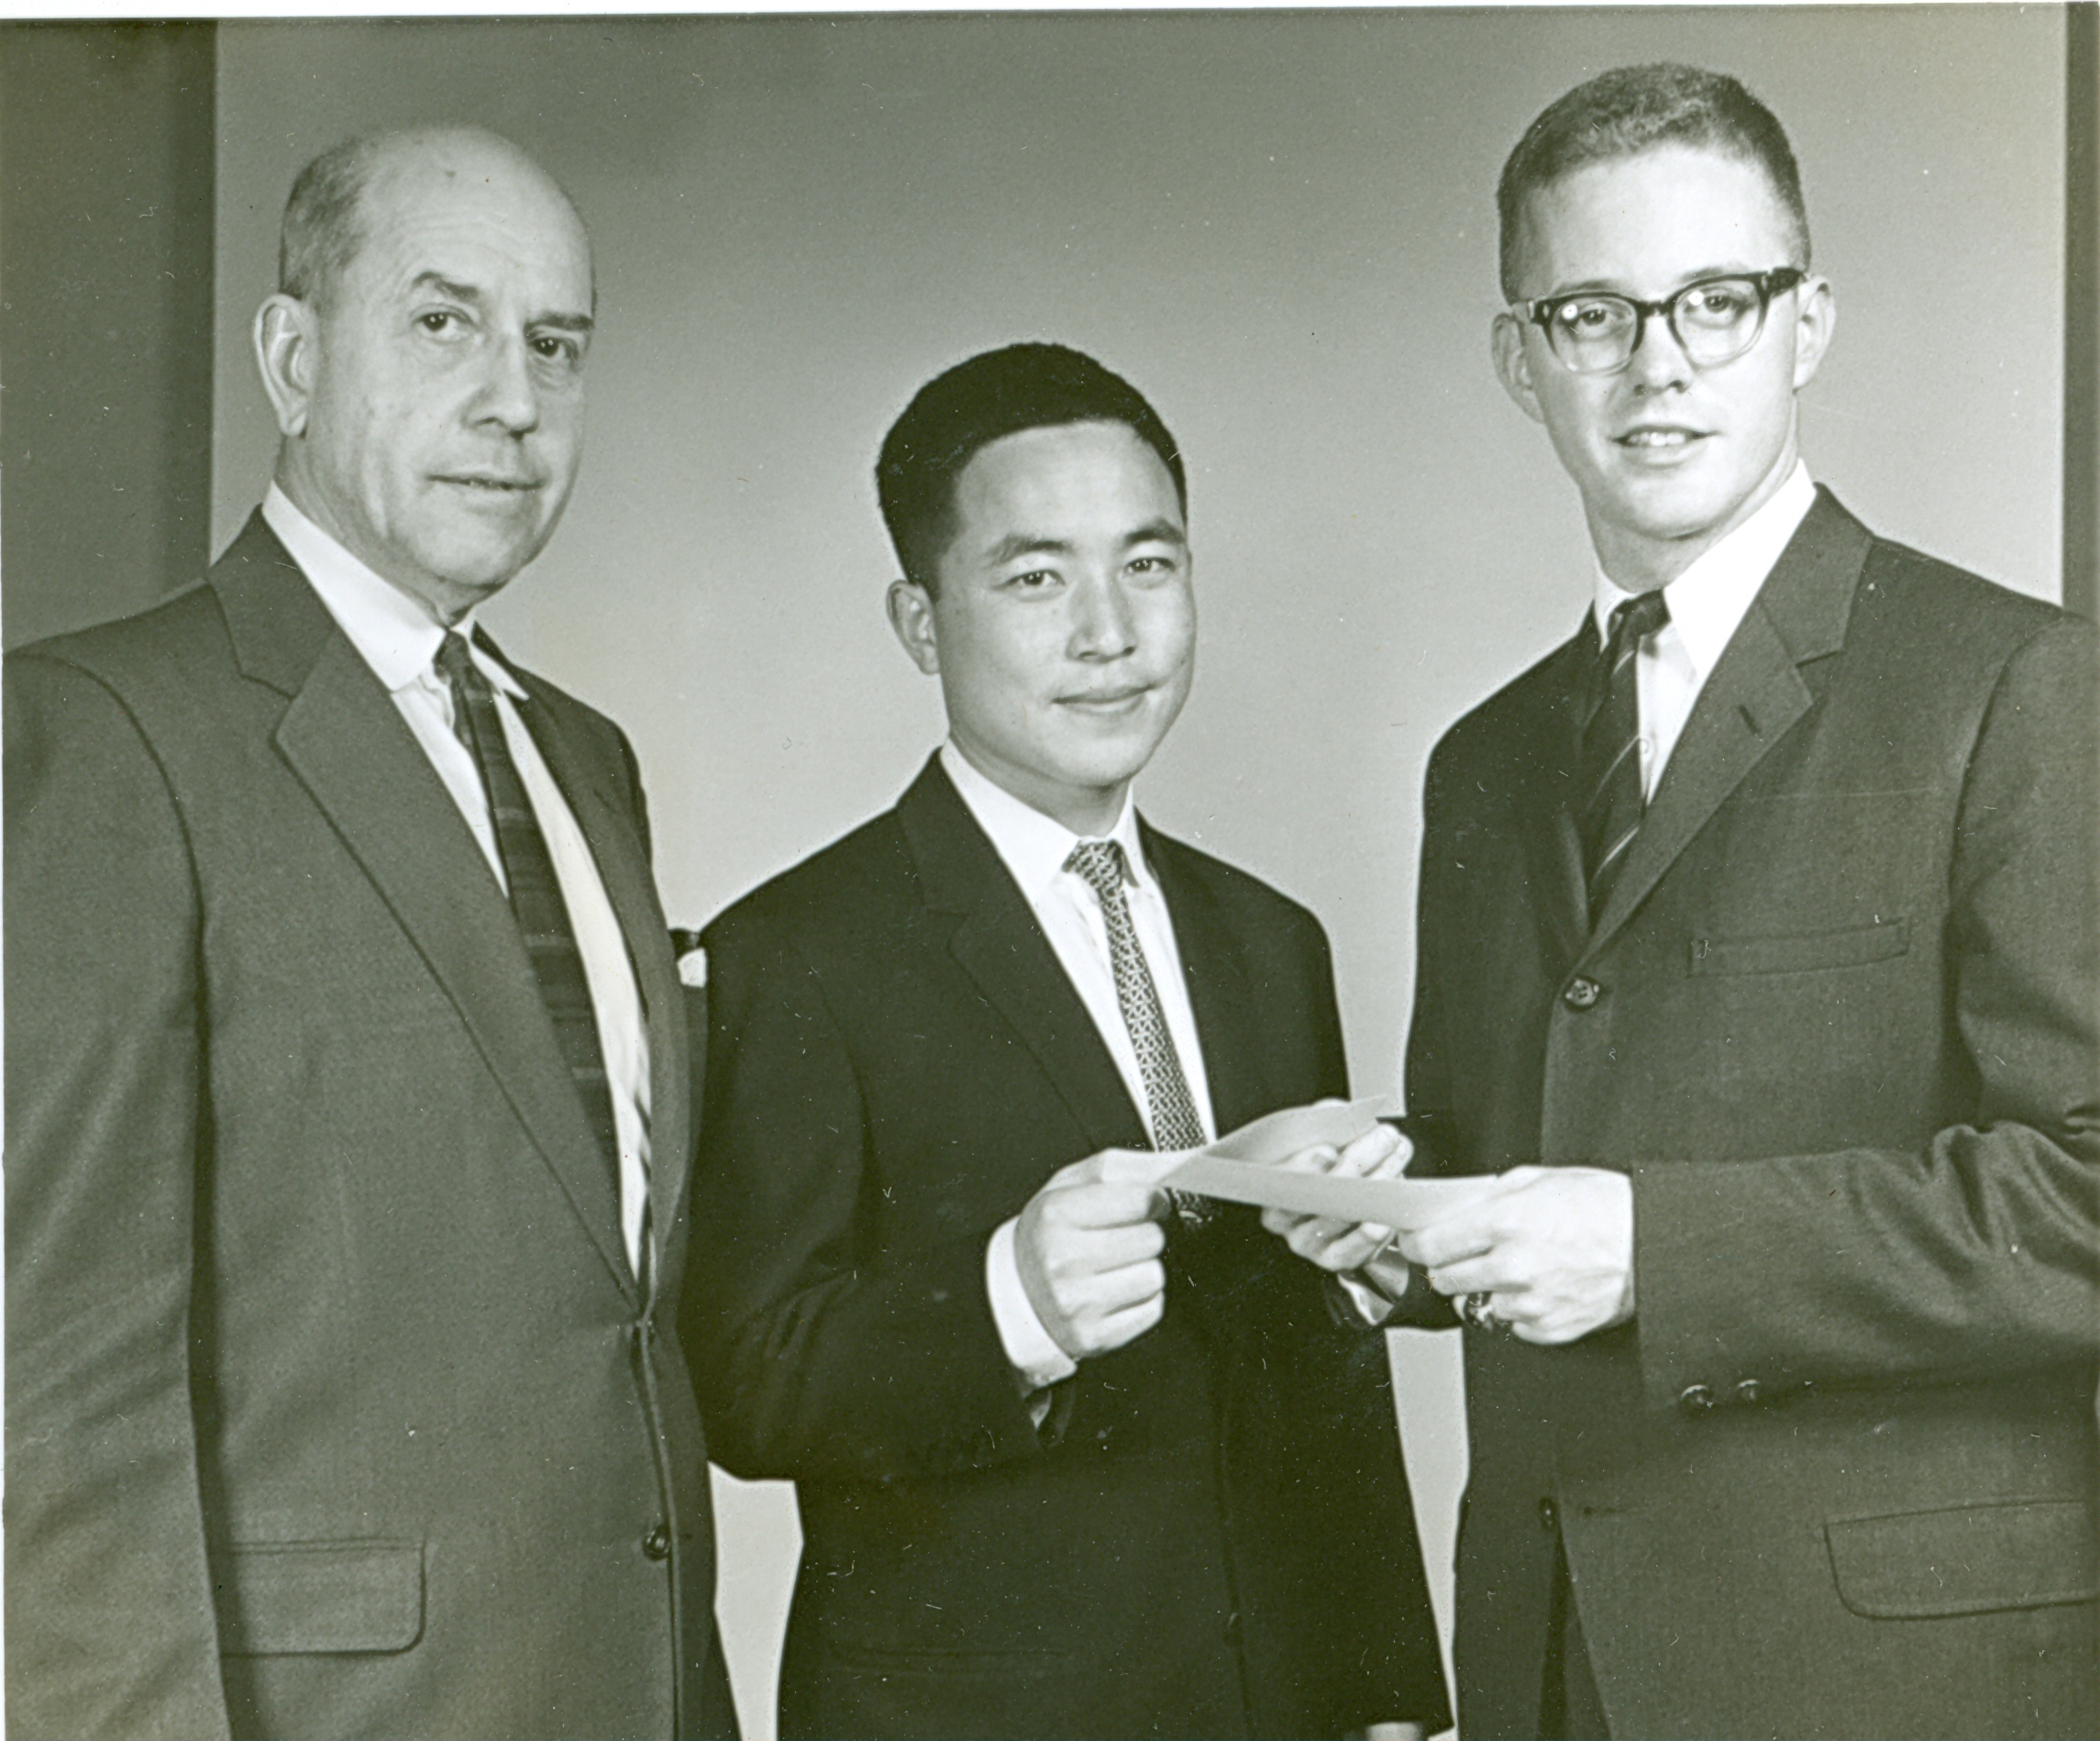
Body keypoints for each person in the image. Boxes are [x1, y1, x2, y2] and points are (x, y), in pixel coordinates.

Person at [1340, 61, 2094, 1741]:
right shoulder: (1481, 763)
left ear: (1806, 321)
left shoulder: (2016, 687)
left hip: (1898, 1678)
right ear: (1516, 357)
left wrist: (1653, 1250)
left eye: (1716, 300)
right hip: (1555, 1656)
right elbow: (1522, 1153)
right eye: (1593, 311)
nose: (1658, 361)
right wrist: (1386, 1214)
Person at [6, 127, 733, 1740]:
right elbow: (50, 1398)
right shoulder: (101, 731)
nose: (514, 400)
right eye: (441, 322)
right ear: (289, 357)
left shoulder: (585, 759)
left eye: (556, 344)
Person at [680, 342, 1450, 1741]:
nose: (1110, 631)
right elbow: (745, 1377)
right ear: (918, 620)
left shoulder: (1270, 939)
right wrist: (1007, 1309)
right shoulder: (793, 950)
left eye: (1149, 566)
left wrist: (1385, 1696)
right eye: (1035, 577)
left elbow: (1323, 1376)